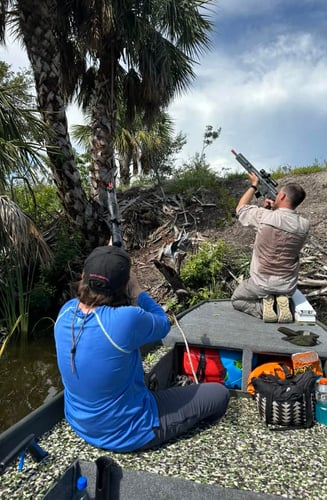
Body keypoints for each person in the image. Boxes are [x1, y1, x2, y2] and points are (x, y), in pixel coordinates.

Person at [54, 245, 229, 453]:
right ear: (126, 284)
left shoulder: (66, 311)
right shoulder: (126, 319)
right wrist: (138, 292)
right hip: (129, 432)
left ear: (83, 276)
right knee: (219, 394)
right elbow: (163, 323)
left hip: (79, 423)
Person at [231, 172, 309, 323]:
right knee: (282, 291)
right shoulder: (304, 225)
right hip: (287, 285)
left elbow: (240, 208)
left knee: (237, 299)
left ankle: (266, 307)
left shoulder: (264, 216)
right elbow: (282, 231)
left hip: (261, 283)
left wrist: (254, 185)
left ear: (282, 197)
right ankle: (281, 303)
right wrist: (271, 210)